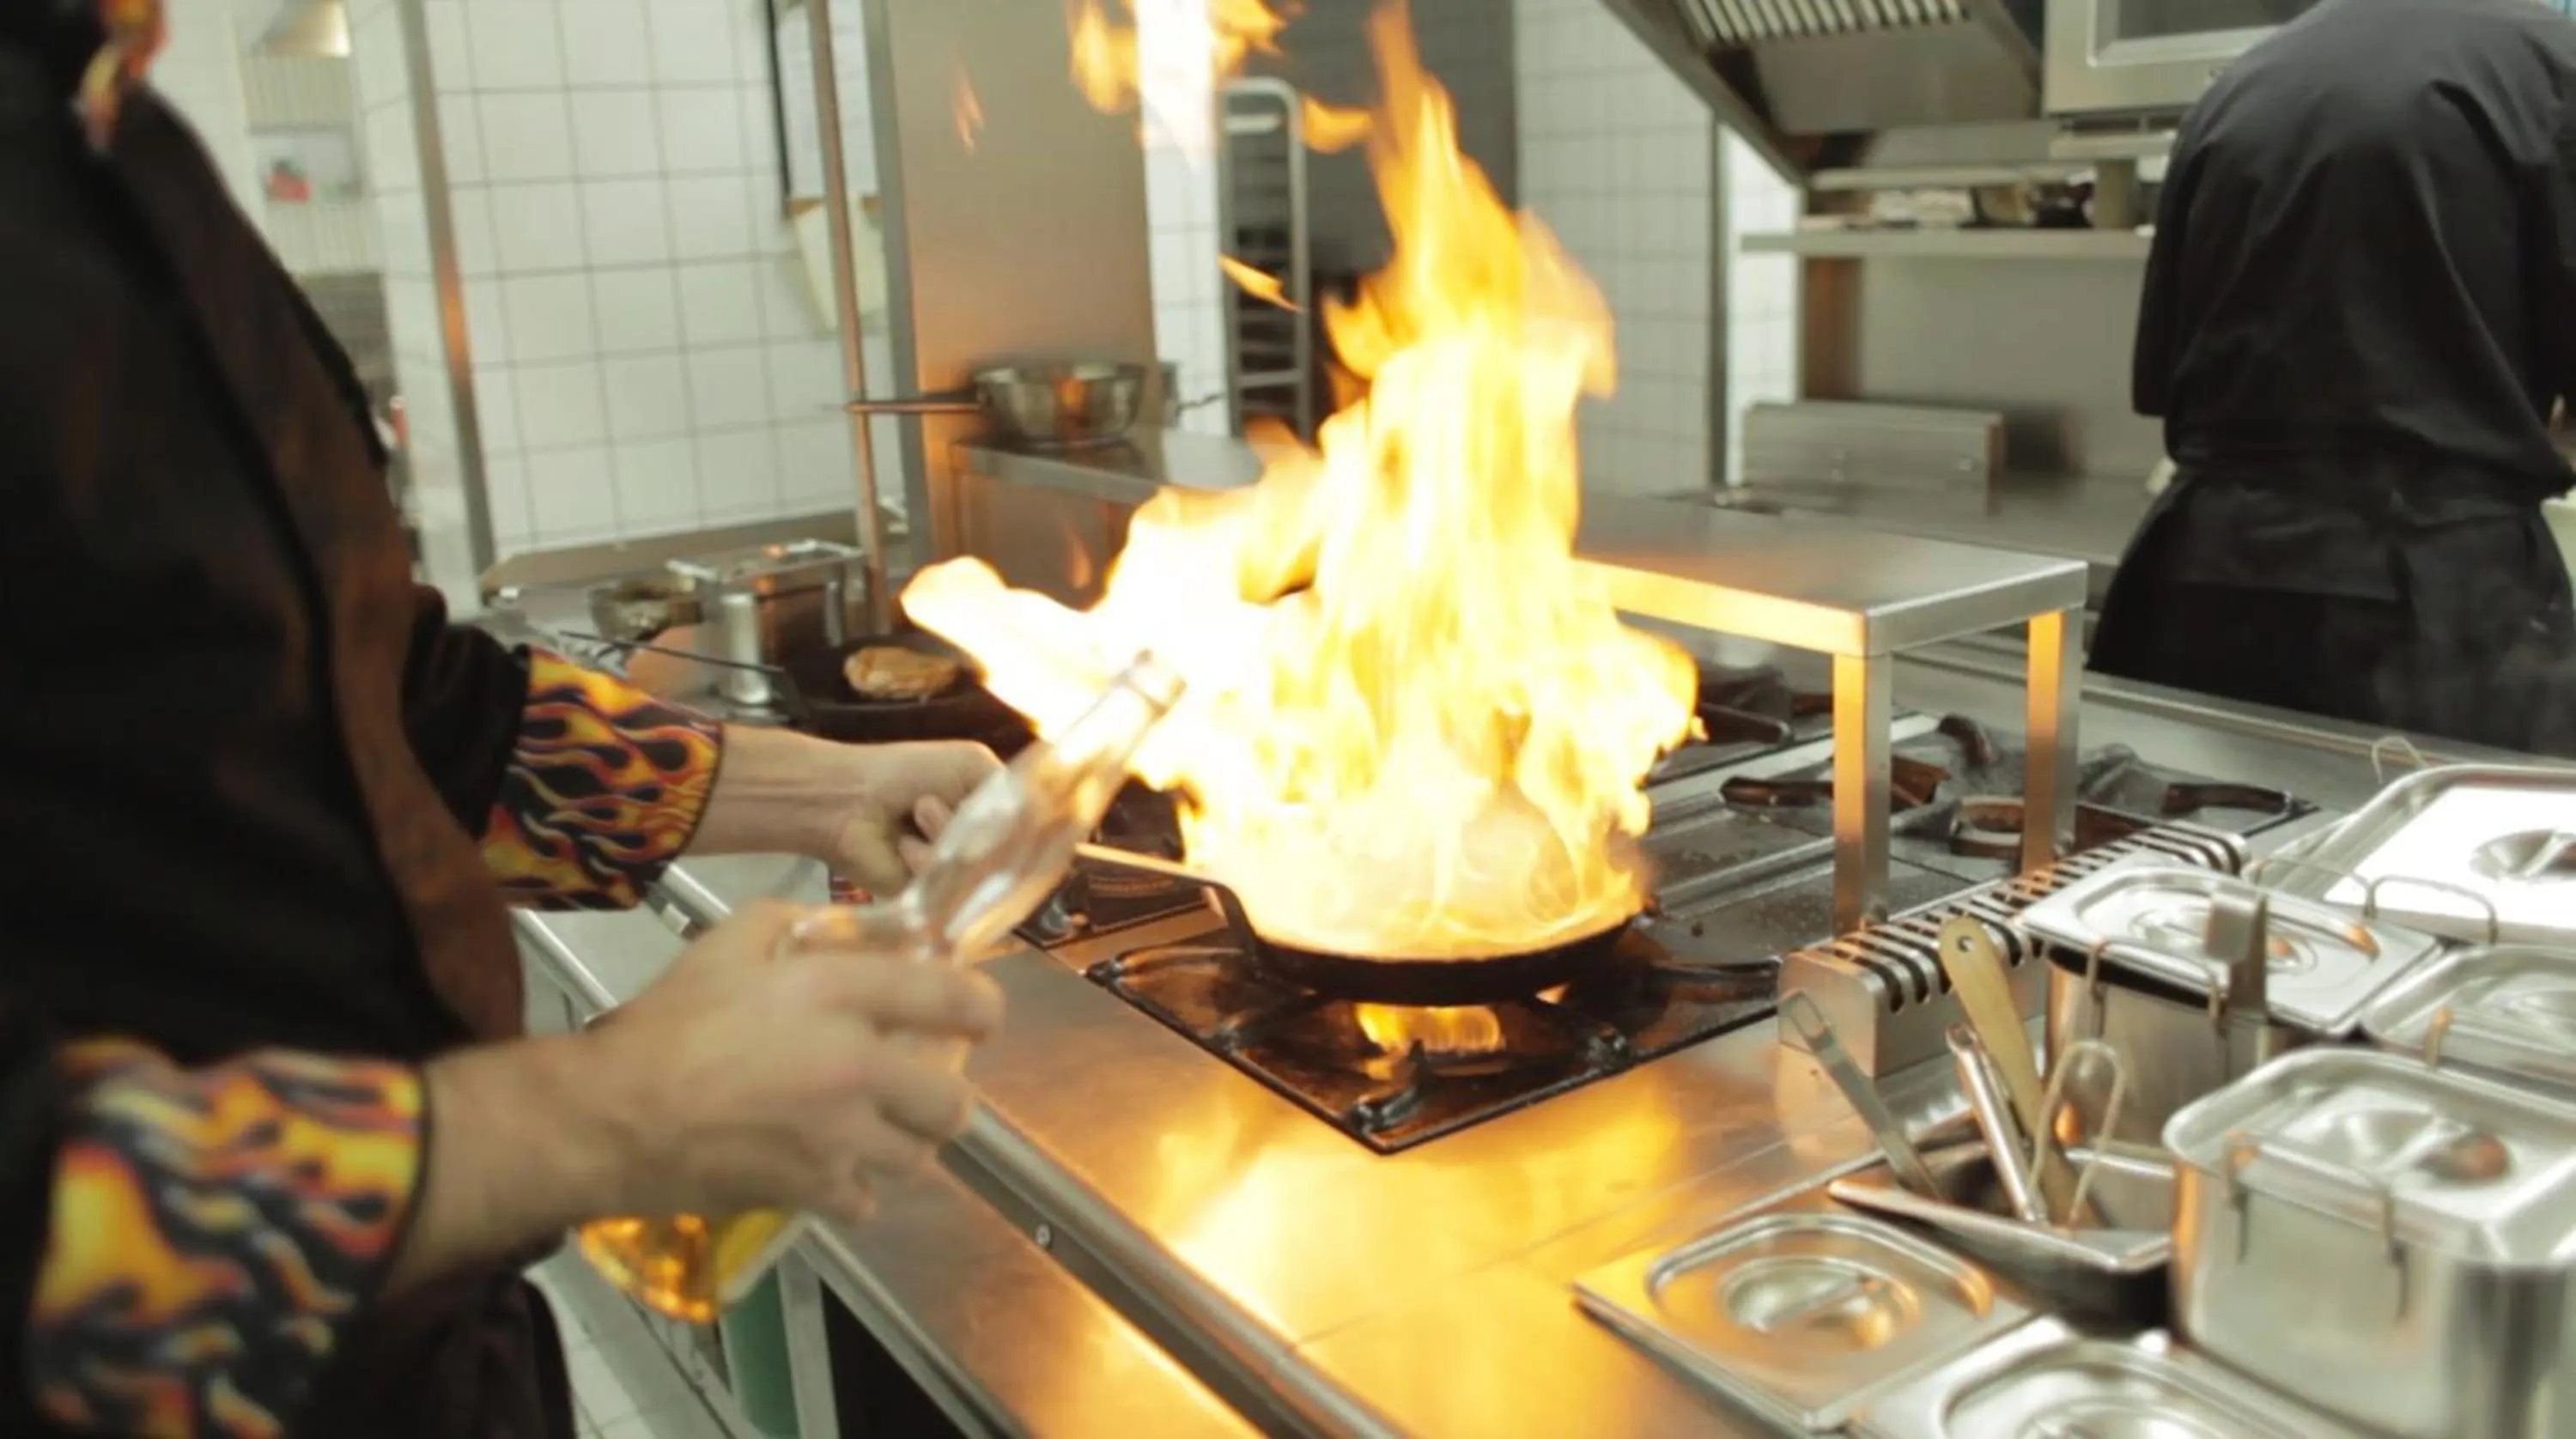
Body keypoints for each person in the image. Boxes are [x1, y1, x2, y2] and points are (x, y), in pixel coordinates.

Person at [0, 3, 1005, 1436]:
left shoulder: (102, 134)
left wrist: (817, 790)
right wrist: (596, 1115)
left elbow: (365, 698)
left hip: (422, 1368)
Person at [2090, 0, 2576, 756]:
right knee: (2430, 866)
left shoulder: (2245, 79)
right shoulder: (2556, 68)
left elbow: (2162, 375)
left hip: (2196, 576)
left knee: (2192, 860)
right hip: (2431, 608)